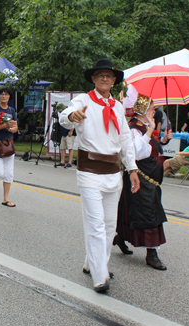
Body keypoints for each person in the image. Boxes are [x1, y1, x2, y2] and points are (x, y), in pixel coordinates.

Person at [59, 59, 140, 293]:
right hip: (90, 171)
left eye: (109, 75)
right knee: (95, 223)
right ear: (93, 79)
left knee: (108, 226)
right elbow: (66, 114)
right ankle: (100, 274)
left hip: (114, 173)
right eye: (100, 75)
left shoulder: (117, 106)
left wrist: (132, 169)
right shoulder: (83, 100)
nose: (105, 78)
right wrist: (71, 117)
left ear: (114, 81)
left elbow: (125, 139)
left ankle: (92, 263)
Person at [113, 91, 173, 269]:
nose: (155, 111)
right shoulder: (133, 128)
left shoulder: (145, 126)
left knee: (134, 211)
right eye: (152, 108)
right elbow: (136, 154)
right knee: (148, 213)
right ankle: (151, 254)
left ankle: (121, 236)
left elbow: (152, 149)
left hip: (149, 177)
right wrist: (149, 130)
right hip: (138, 177)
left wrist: (162, 140)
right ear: (143, 110)